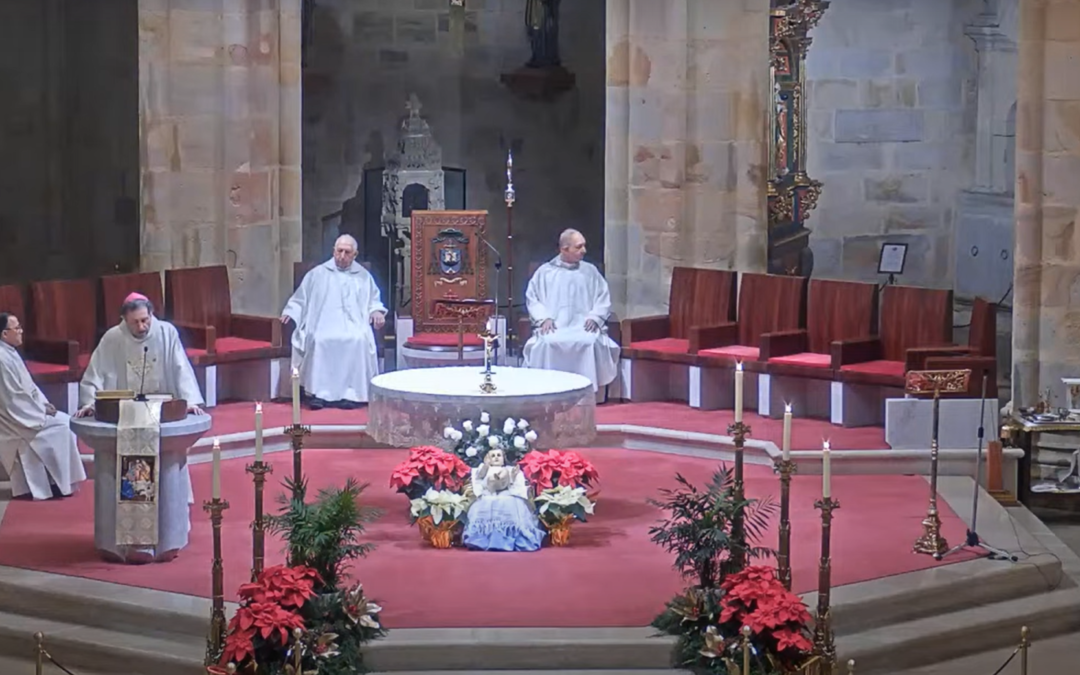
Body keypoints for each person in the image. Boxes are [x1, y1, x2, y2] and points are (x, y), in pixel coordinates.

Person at [281, 234, 387, 410]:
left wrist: (376, 311)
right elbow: (301, 299)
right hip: (323, 322)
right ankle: (317, 394)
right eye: (339, 251)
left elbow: (373, 300)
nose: (342, 256)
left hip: (354, 325)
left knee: (359, 341)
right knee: (319, 340)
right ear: (333, 251)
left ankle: (351, 395)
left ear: (355, 254)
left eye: (347, 252)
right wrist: (291, 312)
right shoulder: (317, 274)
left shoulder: (363, 276)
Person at [0, 312, 87, 500]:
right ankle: (54, 484)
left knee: (66, 422)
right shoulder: (1, 359)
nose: (21, 331)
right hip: (17, 421)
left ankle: (57, 482)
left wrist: (44, 403)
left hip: (29, 411)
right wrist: (40, 410)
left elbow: (28, 386)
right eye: (17, 328)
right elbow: (12, 398)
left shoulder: (9, 352)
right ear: (4, 334)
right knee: (63, 427)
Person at [522, 229, 620, 392]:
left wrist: (595, 317)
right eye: (579, 247)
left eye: (584, 246)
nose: (584, 251)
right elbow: (533, 298)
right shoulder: (545, 272)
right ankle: (550, 390)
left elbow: (603, 297)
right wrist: (544, 318)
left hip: (582, 326)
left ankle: (587, 391)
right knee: (548, 343)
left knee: (588, 343)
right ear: (564, 249)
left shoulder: (590, 271)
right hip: (555, 327)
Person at [76, 293, 205, 417]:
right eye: (135, 322)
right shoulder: (112, 338)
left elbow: (181, 369)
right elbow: (95, 374)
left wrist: (189, 401)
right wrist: (90, 404)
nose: (141, 327)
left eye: (144, 320)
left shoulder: (167, 333)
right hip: (123, 410)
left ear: (151, 314)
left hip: (163, 407)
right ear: (125, 319)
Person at [462, 448, 545, 552]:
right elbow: (480, 477)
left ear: (504, 458)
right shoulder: (484, 468)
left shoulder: (509, 469)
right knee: (486, 501)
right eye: (493, 456)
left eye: (499, 455)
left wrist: (513, 476)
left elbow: (516, 486)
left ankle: (501, 479)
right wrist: (486, 465)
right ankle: (495, 481)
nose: (496, 457)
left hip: (506, 492)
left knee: (511, 500)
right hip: (489, 493)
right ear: (488, 459)